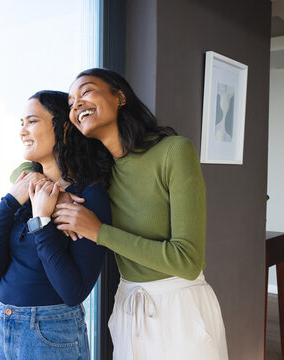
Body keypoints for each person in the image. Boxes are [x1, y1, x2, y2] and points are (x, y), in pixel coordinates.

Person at [53, 69, 229, 359]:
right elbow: (27, 169)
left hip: (181, 310)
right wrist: (56, 191)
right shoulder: (98, 173)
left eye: (86, 92)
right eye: (71, 103)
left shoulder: (173, 152)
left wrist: (98, 232)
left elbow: (187, 260)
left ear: (120, 96)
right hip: (128, 308)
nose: (77, 105)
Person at [0, 90, 112, 360]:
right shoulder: (25, 185)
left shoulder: (88, 198)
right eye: (21, 123)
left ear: (62, 128)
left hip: (49, 335)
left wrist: (42, 223)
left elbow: (73, 292)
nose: (23, 131)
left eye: (32, 121)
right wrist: (9, 202)